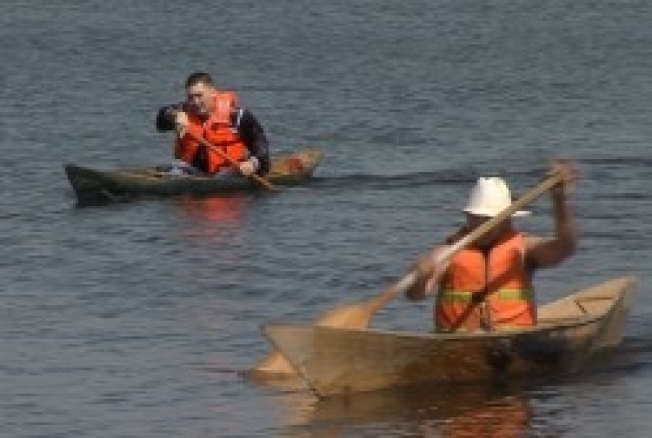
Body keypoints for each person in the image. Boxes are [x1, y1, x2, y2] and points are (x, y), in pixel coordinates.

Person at [405, 161, 577, 333]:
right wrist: (420, 276)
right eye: (476, 217)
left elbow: (565, 248)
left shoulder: (524, 247)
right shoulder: (447, 251)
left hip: (515, 342)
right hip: (457, 343)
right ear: (467, 216)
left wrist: (560, 201)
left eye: (489, 219)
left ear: (507, 221)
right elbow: (415, 295)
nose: (481, 224)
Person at [156, 71, 270, 177]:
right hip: (190, 171)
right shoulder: (184, 110)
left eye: (199, 95)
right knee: (175, 171)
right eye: (190, 97)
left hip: (229, 172)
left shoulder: (237, 116)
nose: (195, 102)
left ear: (213, 92)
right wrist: (174, 115)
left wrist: (253, 163)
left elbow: (260, 144)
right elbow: (160, 123)